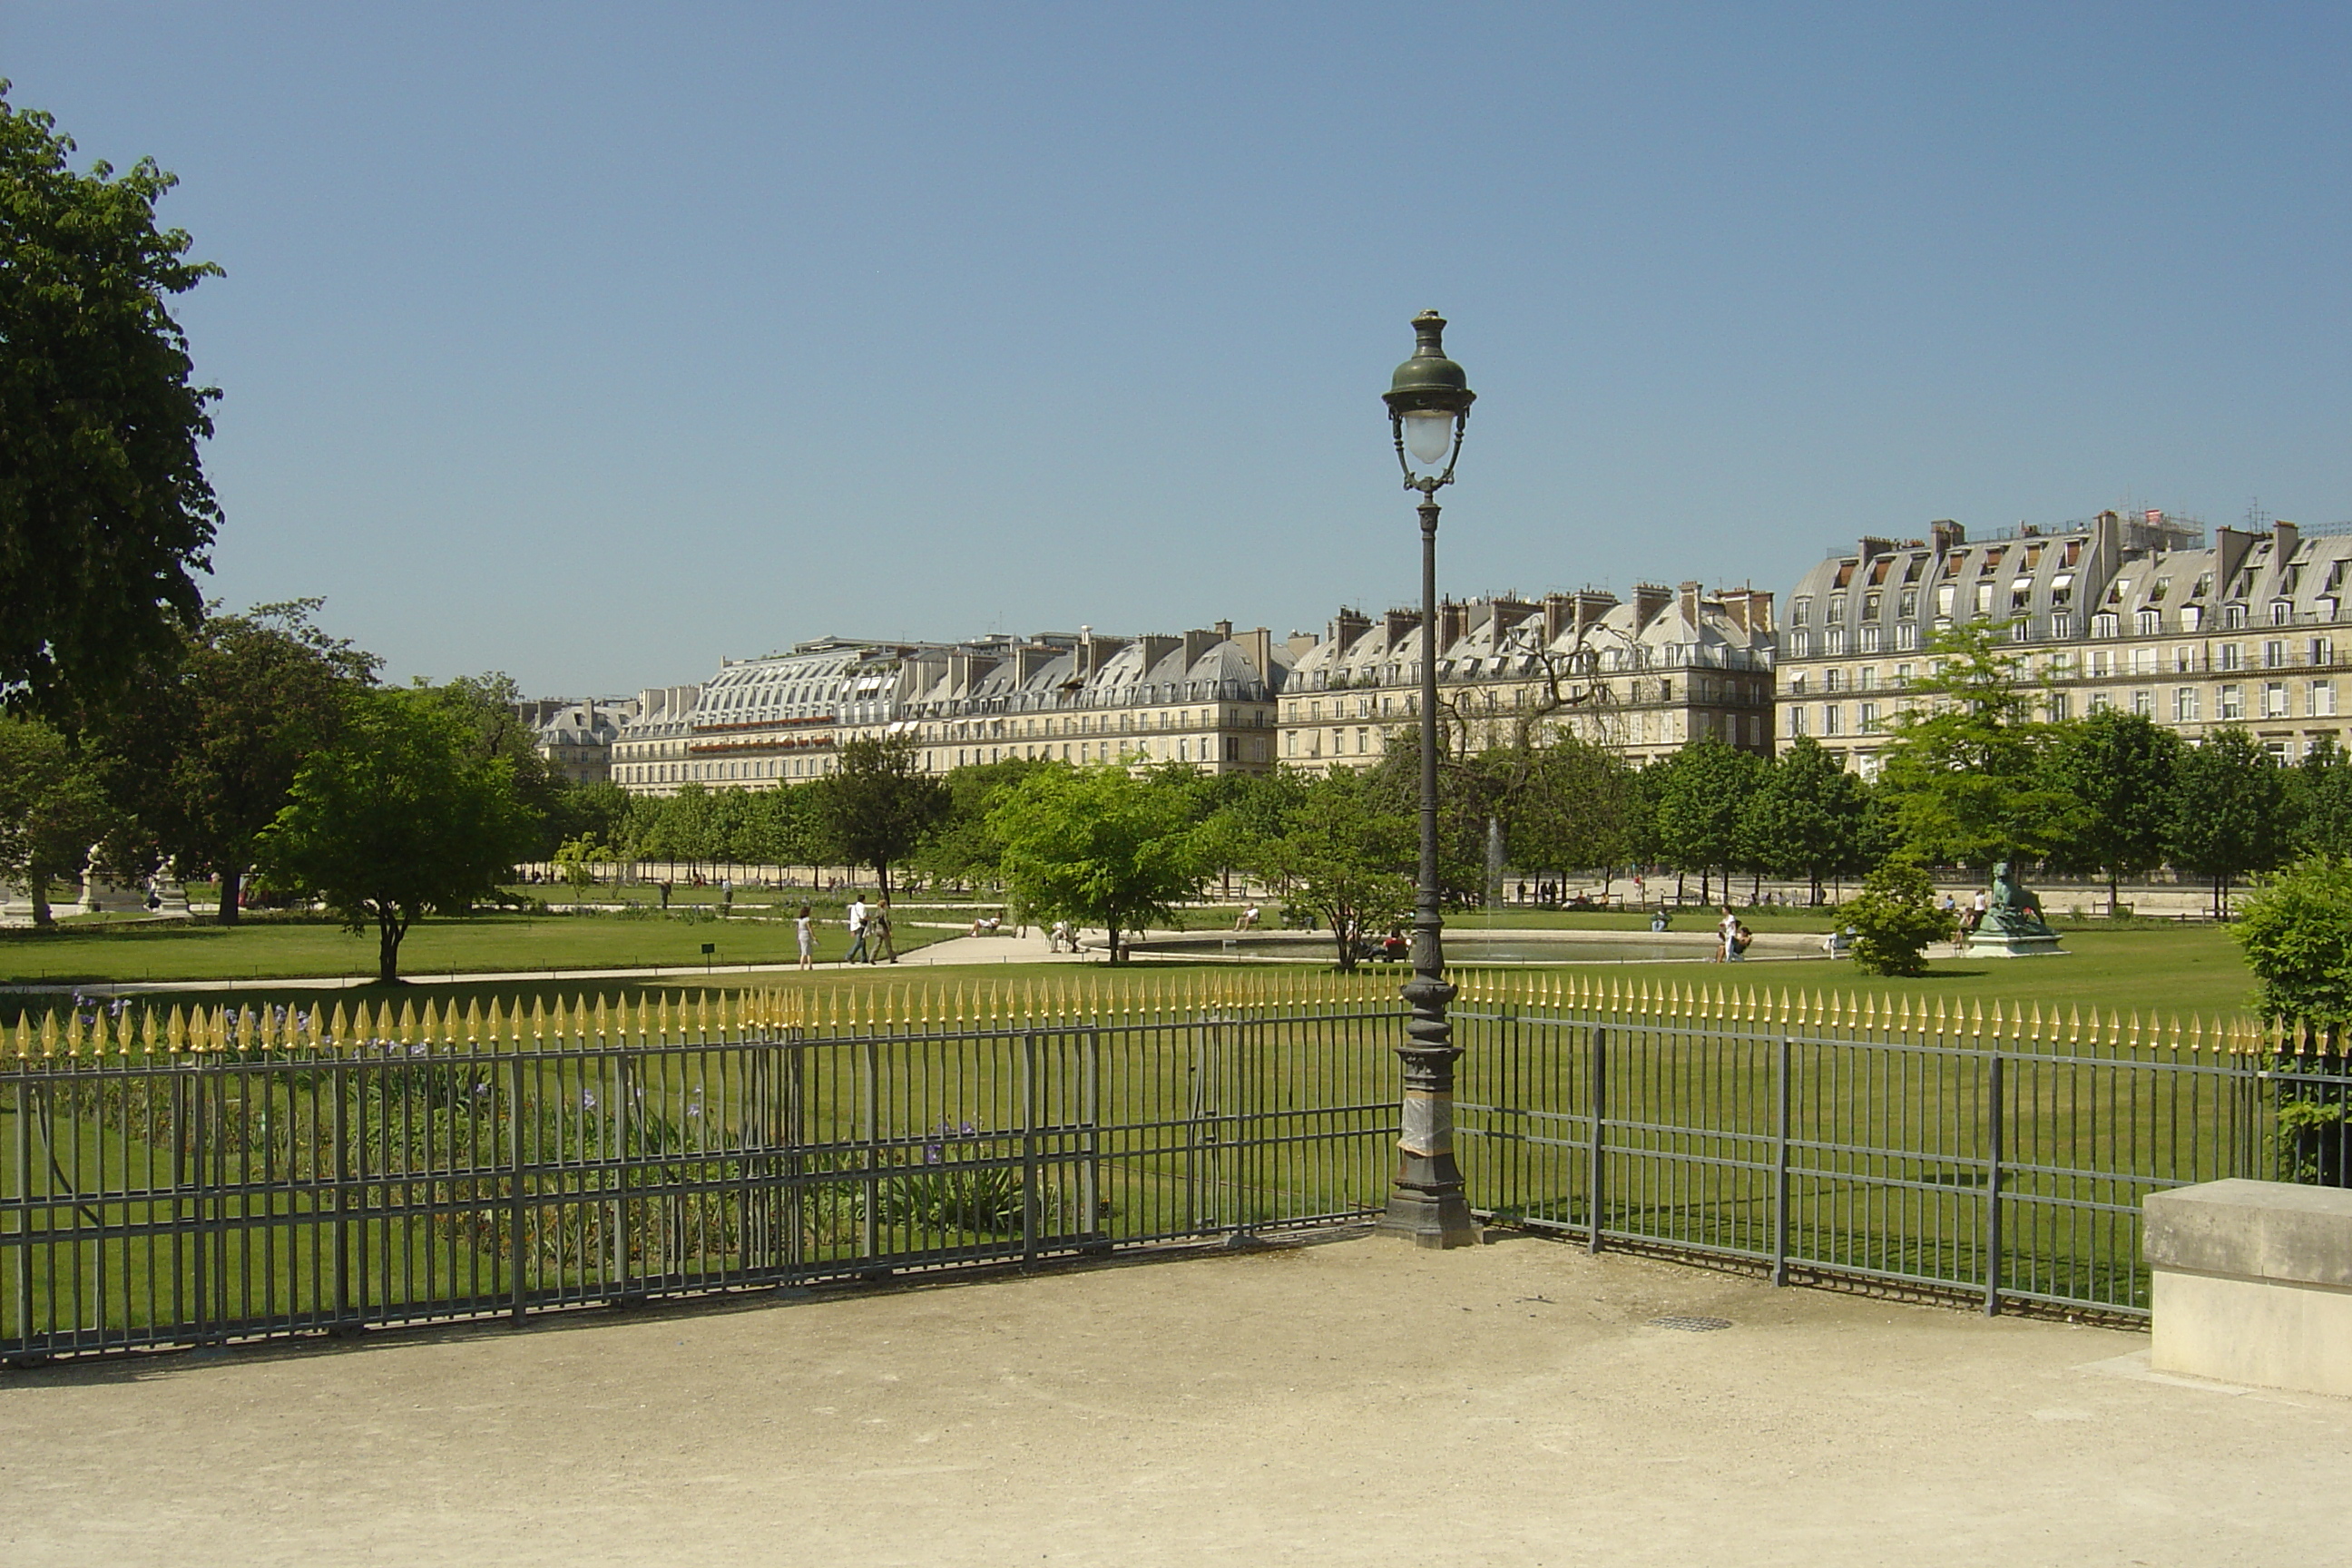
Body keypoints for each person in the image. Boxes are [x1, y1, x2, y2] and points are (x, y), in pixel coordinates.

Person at [867, 899, 896, 964]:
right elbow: (886, 921)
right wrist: (889, 929)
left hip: (878, 930)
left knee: (877, 945)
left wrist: (874, 929)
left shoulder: (877, 912)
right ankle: (892, 958)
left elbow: (874, 921)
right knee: (888, 945)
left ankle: (871, 958)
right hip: (884, 930)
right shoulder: (884, 912)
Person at [845, 900, 870, 965]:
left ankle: (863, 958)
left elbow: (853, 918)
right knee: (859, 942)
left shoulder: (854, 907)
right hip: (860, 926)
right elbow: (863, 917)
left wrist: (852, 929)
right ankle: (849, 956)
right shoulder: (862, 907)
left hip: (855, 926)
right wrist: (869, 918)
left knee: (862, 942)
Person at [795, 905, 815, 970]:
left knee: (804, 951)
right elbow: (810, 928)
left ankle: (804, 966)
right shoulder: (807, 920)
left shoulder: (800, 920)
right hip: (806, 935)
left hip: (801, 936)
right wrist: (813, 936)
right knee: (807, 952)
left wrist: (797, 937)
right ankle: (807, 966)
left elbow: (798, 929)